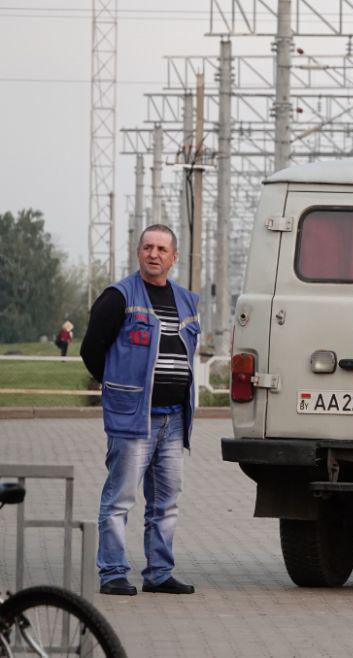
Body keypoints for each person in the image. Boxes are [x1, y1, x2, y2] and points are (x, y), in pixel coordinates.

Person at [80, 225, 200, 596]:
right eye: (148, 247)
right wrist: (116, 386)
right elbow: (91, 350)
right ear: (138, 252)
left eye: (162, 249)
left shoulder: (186, 301)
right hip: (133, 418)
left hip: (174, 419)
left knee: (166, 502)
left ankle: (159, 573)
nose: (154, 254)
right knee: (120, 499)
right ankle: (113, 572)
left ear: (174, 257)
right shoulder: (119, 297)